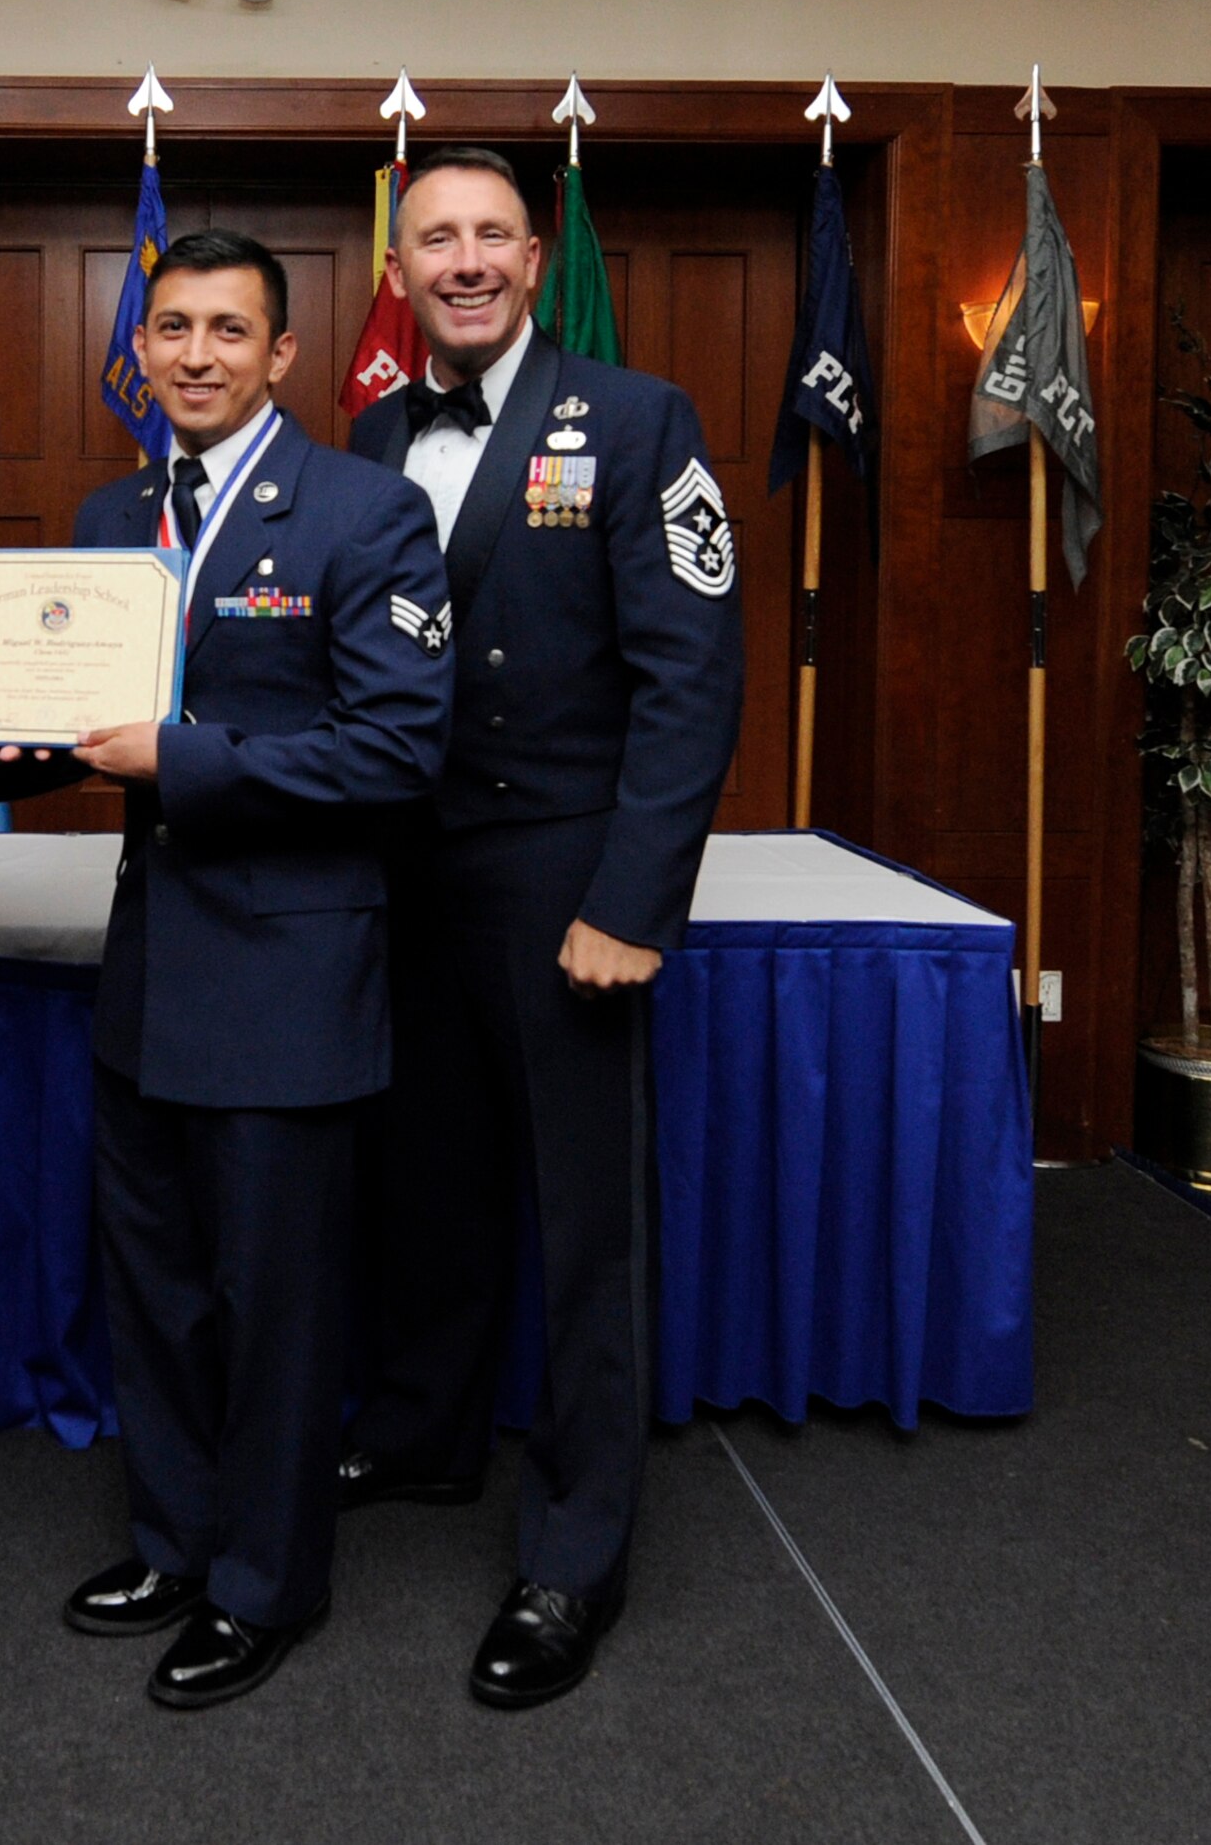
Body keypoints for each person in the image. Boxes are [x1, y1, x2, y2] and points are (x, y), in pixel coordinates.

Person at [343, 147, 744, 1709]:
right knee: (428, 1183)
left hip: (564, 881)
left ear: (533, 258)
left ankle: (578, 1550)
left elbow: (690, 679)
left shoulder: (637, 421)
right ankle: (426, 1434)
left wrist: (631, 902)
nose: (462, 260)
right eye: (434, 237)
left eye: (490, 235)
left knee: (585, 1227)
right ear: (402, 268)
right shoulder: (377, 432)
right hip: (411, 876)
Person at [59, 229, 454, 1709]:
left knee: (275, 1305)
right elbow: (70, 700)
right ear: (140, 349)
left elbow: (399, 749)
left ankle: (263, 1585)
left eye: (230, 329)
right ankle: (173, 1542)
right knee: (155, 1285)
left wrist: (185, 760)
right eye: (173, 328)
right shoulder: (112, 516)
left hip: (288, 972)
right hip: (150, 964)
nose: (198, 355)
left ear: (283, 354)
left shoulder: (364, 510)